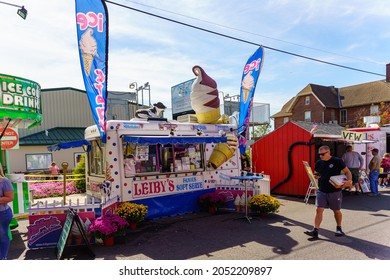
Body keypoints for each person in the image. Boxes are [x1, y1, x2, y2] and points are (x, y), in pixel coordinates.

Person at [304, 145, 352, 239]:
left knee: (336, 210)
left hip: (335, 191)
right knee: (319, 209)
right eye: (319, 154)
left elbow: (347, 172)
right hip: (321, 190)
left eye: (322, 154)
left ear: (328, 152)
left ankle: (339, 228)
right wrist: (315, 176)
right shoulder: (318, 162)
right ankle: (315, 230)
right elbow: (316, 174)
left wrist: (349, 181)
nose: (321, 156)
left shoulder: (337, 161)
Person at [0, 163, 14, 260]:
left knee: (2, 236)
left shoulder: (4, 181)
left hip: (2, 214)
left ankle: (3, 257)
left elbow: (10, 197)